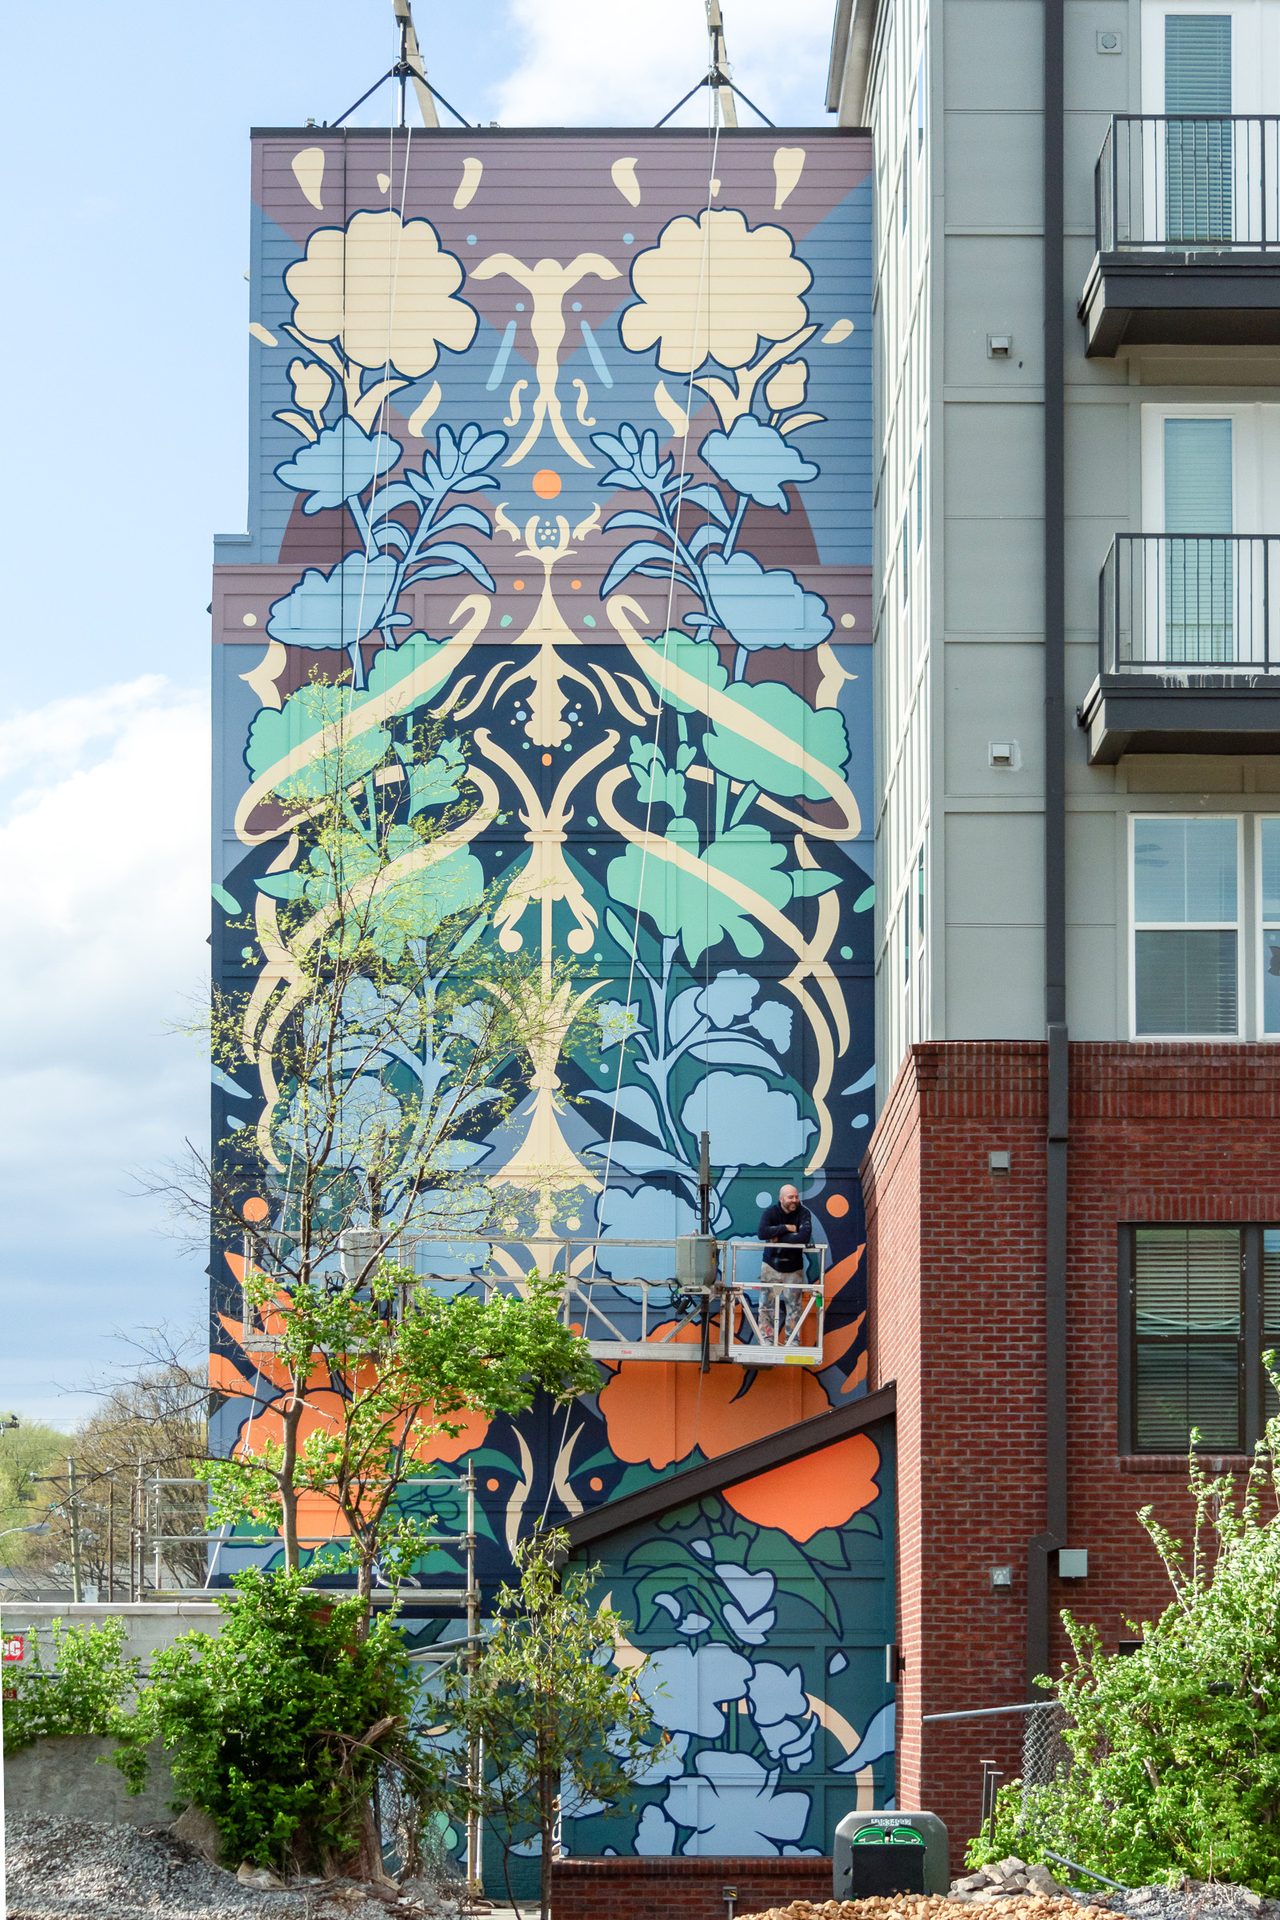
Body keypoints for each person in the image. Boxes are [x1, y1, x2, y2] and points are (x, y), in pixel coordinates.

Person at [755, 1184, 814, 1342]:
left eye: (796, 1196)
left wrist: (778, 1237)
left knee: (794, 1307)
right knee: (765, 1305)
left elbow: (803, 1238)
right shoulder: (771, 1212)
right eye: (790, 1197)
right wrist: (786, 1228)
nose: (794, 1200)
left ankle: (793, 1341)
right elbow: (762, 1233)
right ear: (781, 1199)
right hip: (771, 1266)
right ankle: (766, 1339)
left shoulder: (803, 1213)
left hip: (793, 1268)